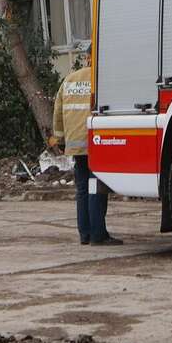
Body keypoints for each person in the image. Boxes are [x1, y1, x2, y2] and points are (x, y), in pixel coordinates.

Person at [50, 53, 119, 246]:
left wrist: (60, 139)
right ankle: (98, 235)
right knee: (96, 188)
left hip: (75, 144)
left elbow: (58, 112)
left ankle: (85, 234)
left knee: (82, 189)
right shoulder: (100, 80)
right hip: (94, 142)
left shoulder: (69, 79)